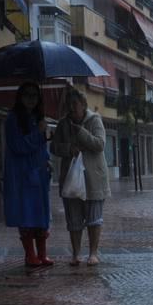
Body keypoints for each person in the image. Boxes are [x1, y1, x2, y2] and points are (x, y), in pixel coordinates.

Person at [51, 87, 110, 265]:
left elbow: (100, 144)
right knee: (74, 219)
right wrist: (69, 149)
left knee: (94, 218)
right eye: (68, 104)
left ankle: (93, 253)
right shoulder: (62, 124)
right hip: (71, 179)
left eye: (74, 104)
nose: (71, 107)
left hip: (93, 178)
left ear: (83, 105)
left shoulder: (95, 120)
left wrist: (81, 132)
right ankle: (76, 254)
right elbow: (54, 147)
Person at [3, 81, 54, 268]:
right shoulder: (13, 119)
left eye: (35, 95)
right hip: (23, 175)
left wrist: (47, 159)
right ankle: (30, 254)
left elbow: (41, 145)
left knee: (41, 213)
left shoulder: (38, 117)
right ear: (20, 97)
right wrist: (38, 133)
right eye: (27, 95)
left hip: (39, 174)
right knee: (27, 214)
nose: (31, 99)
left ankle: (42, 253)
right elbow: (18, 146)